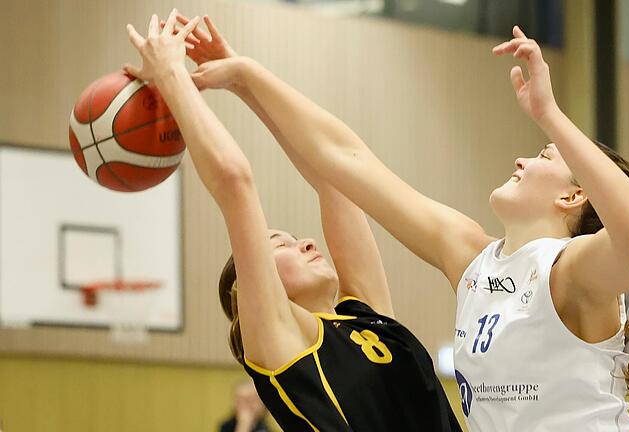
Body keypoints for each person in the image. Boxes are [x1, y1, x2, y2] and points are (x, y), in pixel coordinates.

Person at [171, 15, 629, 431]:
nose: (521, 160)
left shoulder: (575, 271)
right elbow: (347, 162)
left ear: (574, 192)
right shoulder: (470, 256)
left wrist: (550, 113)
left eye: (541, 156)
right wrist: (245, 73)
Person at [124, 10, 461, 432]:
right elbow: (234, 182)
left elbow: (333, 176)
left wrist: (244, 82)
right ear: (247, 290)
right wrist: (171, 75)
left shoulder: (366, 316)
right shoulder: (280, 342)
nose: (305, 243)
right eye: (280, 245)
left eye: (293, 238)